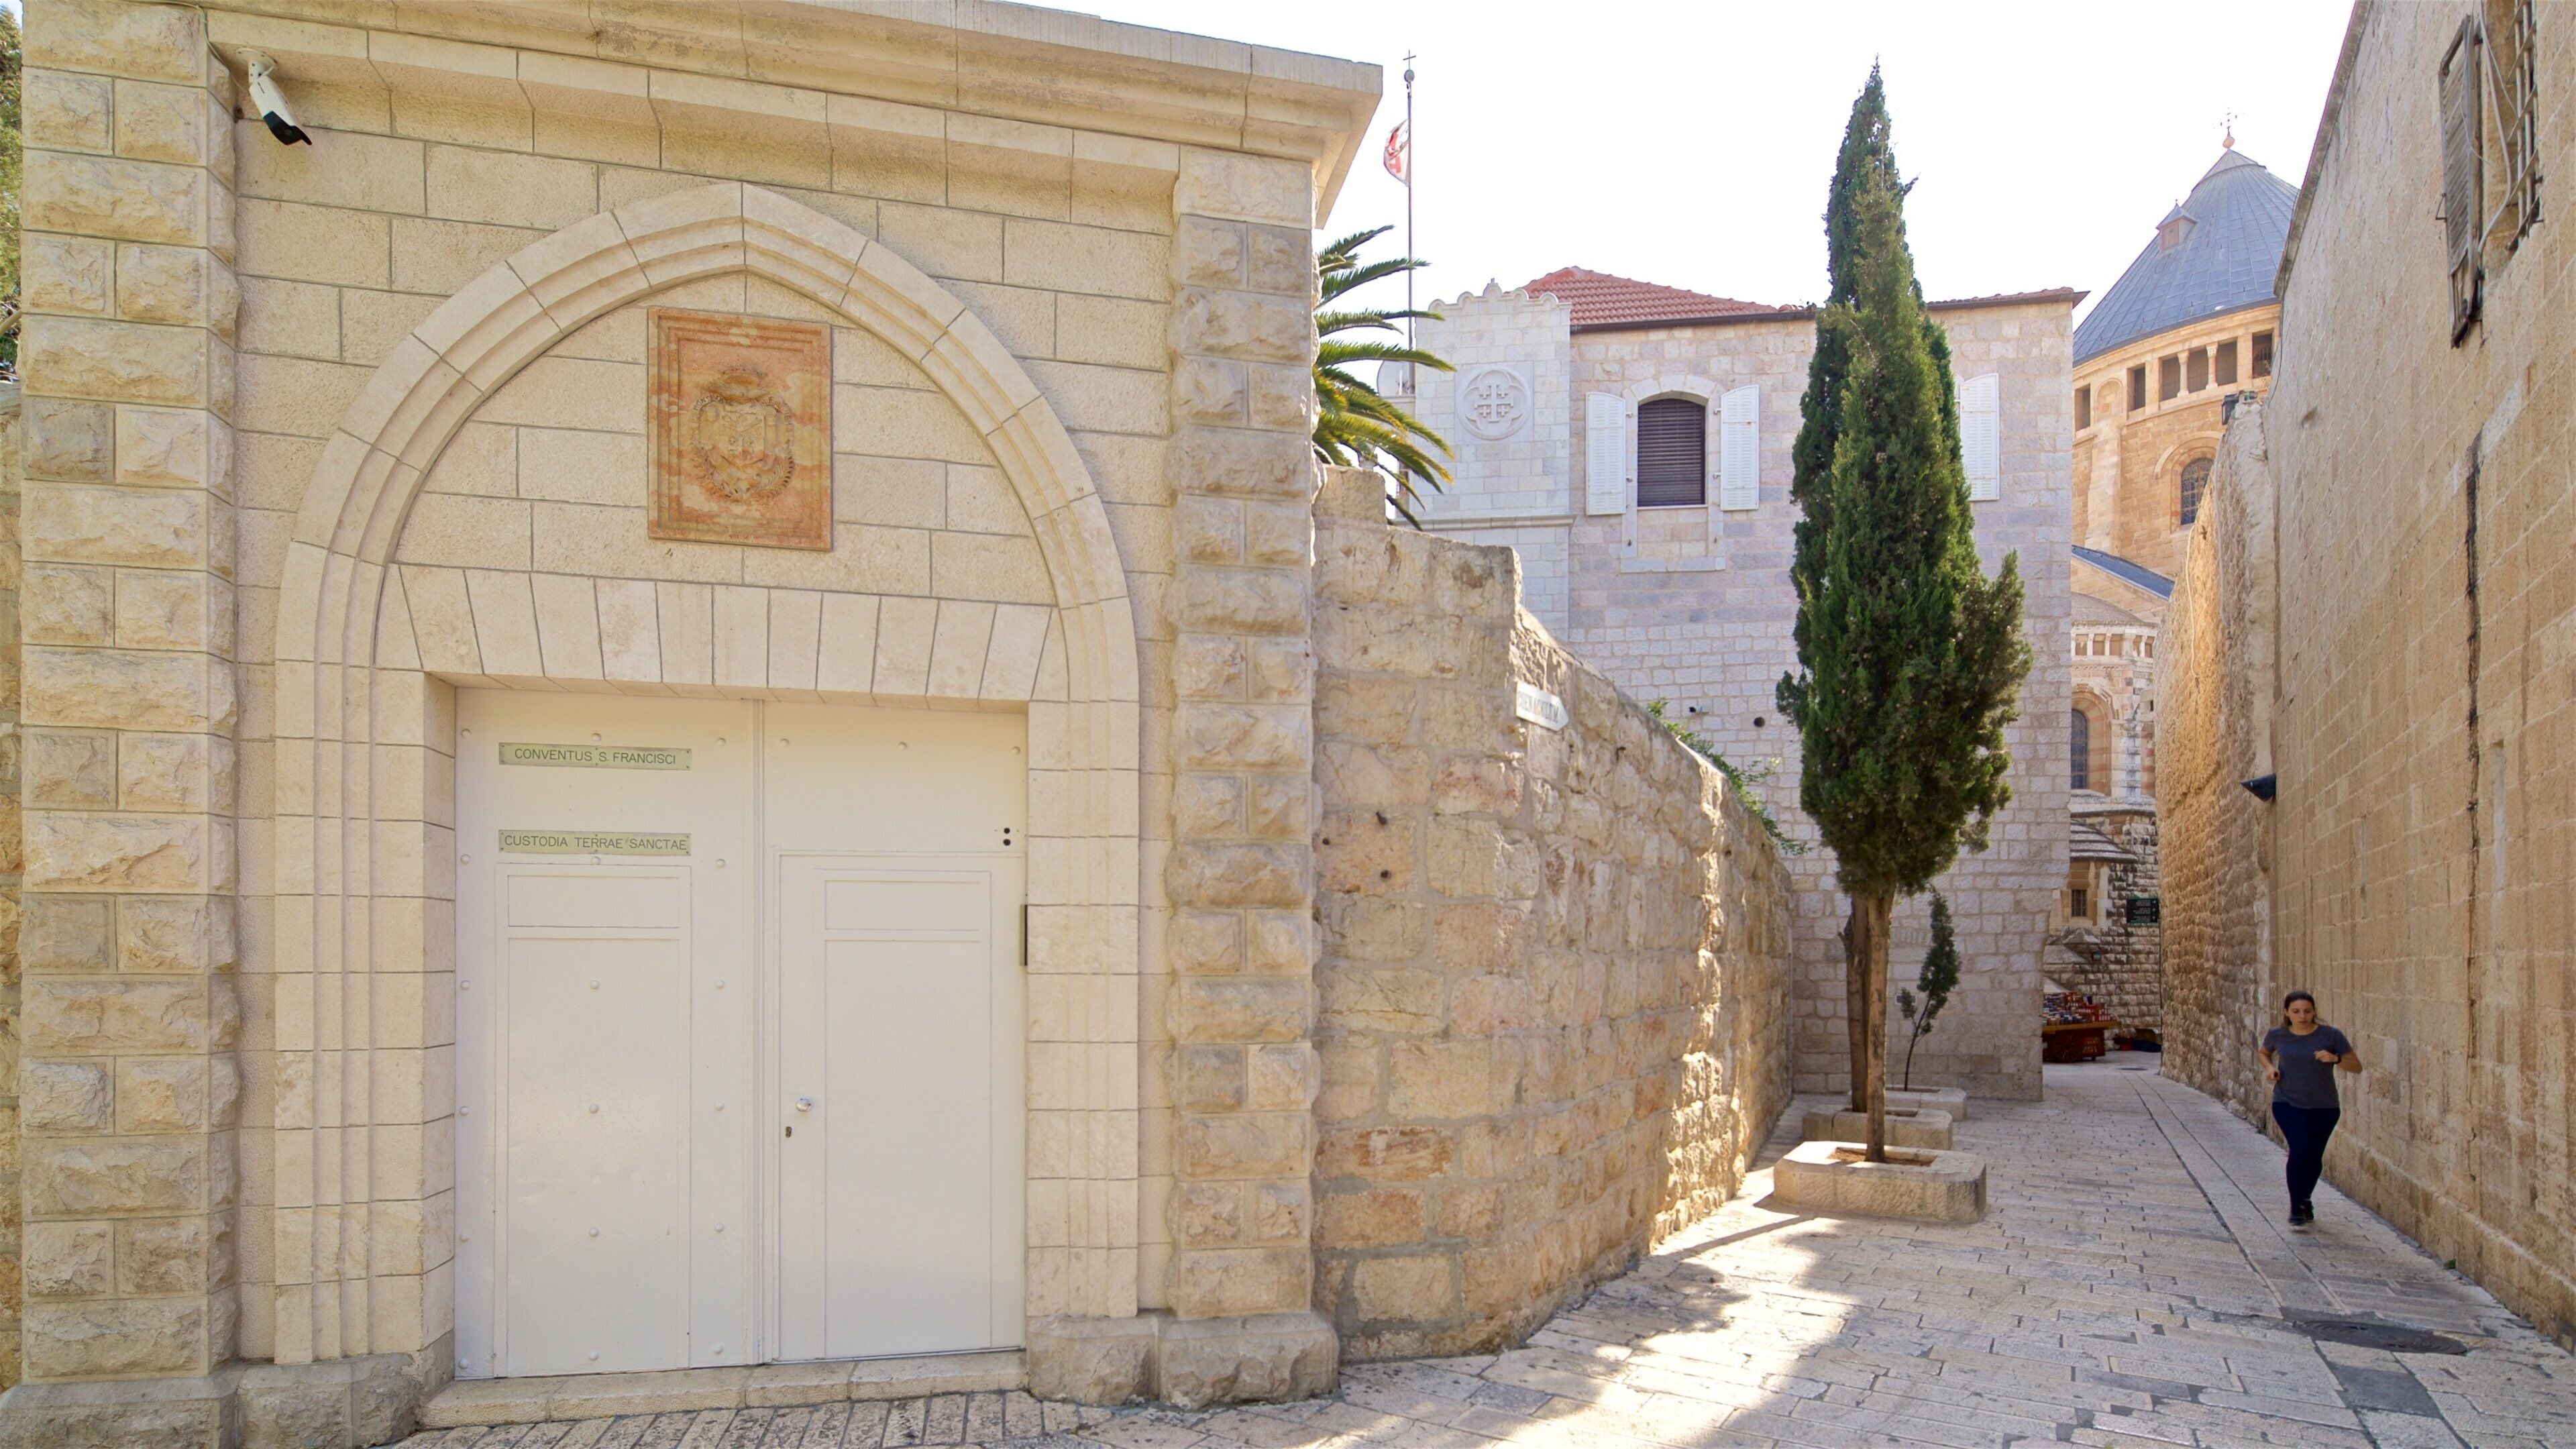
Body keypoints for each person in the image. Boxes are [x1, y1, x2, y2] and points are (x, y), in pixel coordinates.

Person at [2257, 990, 2363, 1228]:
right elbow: (2264, 1053)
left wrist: (2335, 1059)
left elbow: (2356, 1067)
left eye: (2307, 1011)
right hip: (2287, 1102)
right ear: (2286, 1013)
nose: (2302, 1016)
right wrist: (2269, 1069)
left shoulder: (2331, 1036)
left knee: (2314, 1157)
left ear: (2314, 1011)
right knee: (2300, 1149)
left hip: (2324, 1107)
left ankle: (2305, 1198)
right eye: (2296, 1012)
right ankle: (2296, 1207)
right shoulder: (2278, 1035)